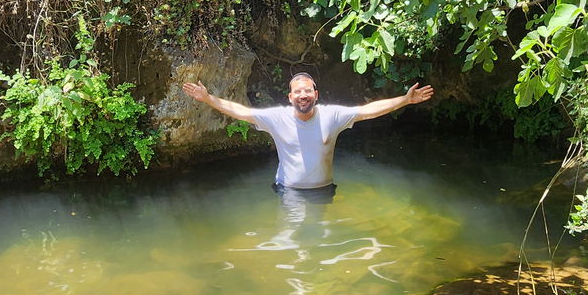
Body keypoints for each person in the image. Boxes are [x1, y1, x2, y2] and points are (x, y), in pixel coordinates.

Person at [182, 72, 433, 192]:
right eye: (298, 91)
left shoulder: (332, 115)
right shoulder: (276, 118)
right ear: (290, 97)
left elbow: (369, 110)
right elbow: (239, 112)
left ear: (316, 95)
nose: (303, 95)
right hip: (288, 193)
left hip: (324, 190)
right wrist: (207, 99)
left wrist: (404, 100)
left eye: (308, 90)